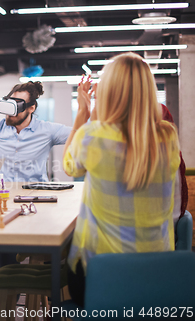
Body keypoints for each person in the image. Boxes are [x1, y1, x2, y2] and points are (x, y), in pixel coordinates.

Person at [63, 53, 180, 306]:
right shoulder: (168, 136)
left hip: (102, 273)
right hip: (158, 275)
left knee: (67, 259)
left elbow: (69, 167)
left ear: (108, 92)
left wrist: (84, 111)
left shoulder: (91, 135)